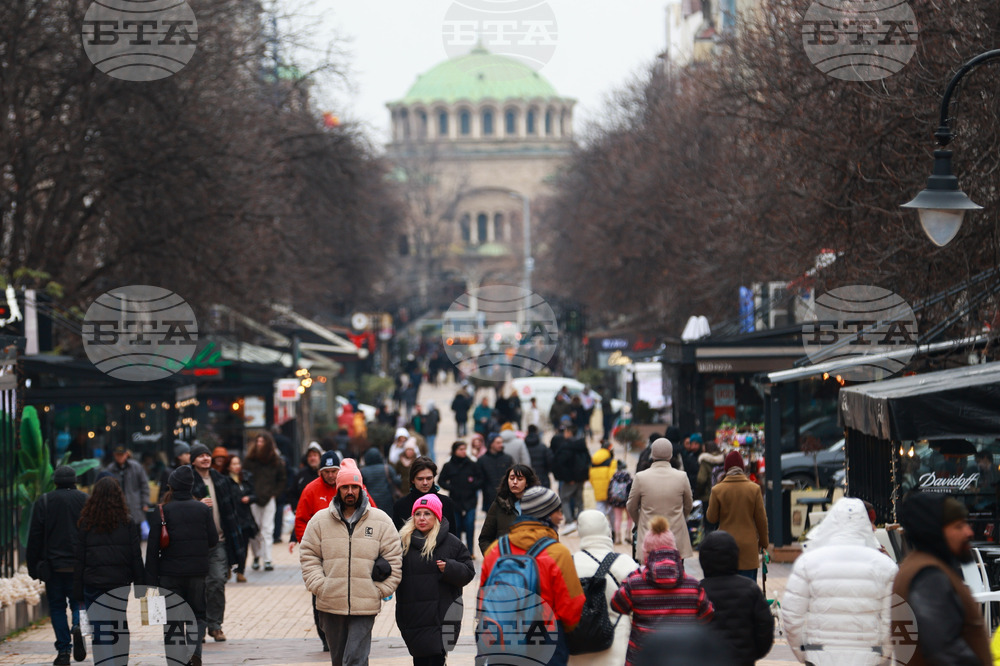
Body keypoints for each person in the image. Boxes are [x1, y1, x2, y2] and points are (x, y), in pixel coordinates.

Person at [299, 459, 403, 665]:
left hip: (365, 604)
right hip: (330, 602)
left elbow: (394, 557)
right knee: (339, 660)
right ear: (338, 489)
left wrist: (380, 590)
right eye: (345, 487)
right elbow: (308, 555)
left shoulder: (381, 521)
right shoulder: (319, 521)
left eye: (354, 487)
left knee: (356, 659)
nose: (350, 492)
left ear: (361, 488)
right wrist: (320, 586)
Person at [781, 498, 895, 665]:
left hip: (820, 657)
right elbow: (891, 619)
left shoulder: (807, 562)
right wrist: (883, 654)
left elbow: (791, 615)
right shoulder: (886, 566)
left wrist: (804, 653)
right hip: (868, 657)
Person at [479, 486, 586, 665]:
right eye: (557, 511)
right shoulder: (557, 553)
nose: (561, 517)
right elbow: (571, 605)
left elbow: (483, 595)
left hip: (502, 636)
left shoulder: (496, 550)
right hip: (546, 637)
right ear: (544, 514)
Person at [892, 492, 991, 664]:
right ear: (935, 532)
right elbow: (943, 648)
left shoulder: (920, 566)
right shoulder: (929, 576)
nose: (969, 532)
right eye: (959, 526)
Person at [611, 516, 713, 666]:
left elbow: (617, 605)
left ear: (646, 554)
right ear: (673, 550)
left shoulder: (635, 582)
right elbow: (707, 615)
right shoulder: (693, 585)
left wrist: (633, 575)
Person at [146, 465, 217, 666]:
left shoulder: (162, 511)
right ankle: (194, 650)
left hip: (169, 574)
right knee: (198, 615)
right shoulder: (202, 509)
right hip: (197, 572)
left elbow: (152, 548)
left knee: (173, 619)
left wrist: (149, 581)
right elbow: (213, 540)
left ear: (172, 486)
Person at [395, 494, 476, 665]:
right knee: (420, 659)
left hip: (442, 615)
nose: (421, 518)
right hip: (413, 615)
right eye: (418, 514)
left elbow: (469, 572)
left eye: (427, 513)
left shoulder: (452, 543)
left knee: (436, 657)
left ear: (437, 517)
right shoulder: (402, 543)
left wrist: (449, 568)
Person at [73, 477, 145, 666]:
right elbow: (135, 555)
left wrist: (77, 589)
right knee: (118, 624)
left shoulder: (86, 523)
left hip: (93, 583)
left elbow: (79, 559)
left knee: (99, 628)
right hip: (119, 583)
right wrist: (141, 585)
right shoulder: (127, 522)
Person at [26, 466, 88, 666]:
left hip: (53, 567)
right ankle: (78, 626)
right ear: (75, 481)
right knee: (78, 603)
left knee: (57, 607)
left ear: (55, 482)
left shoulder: (44, 501)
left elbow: (34, 536)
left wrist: (32, 567)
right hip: (79, 566)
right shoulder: (85, 500)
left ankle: (63, 650)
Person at [569, 510, 639, 666]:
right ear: (606, 530)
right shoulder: (625, 563)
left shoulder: (569, 563)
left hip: (576, 650)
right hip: (616, 650)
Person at [189, 442, 242, 642]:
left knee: (217, 581)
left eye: (207, 454)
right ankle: (199, 627)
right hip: (195, 544)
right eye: (200, 455)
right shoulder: (187, 481)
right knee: (197, 587)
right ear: (193, 460)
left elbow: (233, 511)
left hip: (219, 541)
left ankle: (215, 625)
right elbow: (174, 504)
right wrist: (196, 504)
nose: (205, 458)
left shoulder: (221, 480)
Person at [698, 531, 774, 666]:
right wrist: (753, 653)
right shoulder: (750, 588)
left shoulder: (698, 591)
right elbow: (765, 626)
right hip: (742, 660)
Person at [626, 438, 693, 560]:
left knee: (649, 569)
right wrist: (680, 517)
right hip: (675, 534)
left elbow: (631, 506)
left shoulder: (641, 477)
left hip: (648, 533)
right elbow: (688, 504)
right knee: (675, 568)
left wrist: (640, 521)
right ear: (671, 455)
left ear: (652, 454)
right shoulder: (681, 477)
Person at [705, 450, 768, 581]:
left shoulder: (717, 490)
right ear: (742, 468)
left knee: (727, 587)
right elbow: (761, 520)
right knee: (748, 588)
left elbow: (711, 518)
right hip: (748, 548)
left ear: (726, 468)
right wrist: (763, 543)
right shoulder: (754, 489)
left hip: (725, 547)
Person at [243, 431, 286, 573]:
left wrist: (274, 494)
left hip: (268, 498)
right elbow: (244, 477)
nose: (259, 444)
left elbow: (282, 479)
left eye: (262, 441)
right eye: (258, 441)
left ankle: (267, 559)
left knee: (267, 530)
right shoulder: (250, 460)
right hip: (254, 499)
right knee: (255, 530)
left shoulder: (275, 461)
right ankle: (257, 556)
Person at [478, 464, 540, 556]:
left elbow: (550, 537)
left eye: (519, 479)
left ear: (527, 482)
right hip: (505, 560)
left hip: (532, 560)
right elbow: (485, 538)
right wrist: (494, 558)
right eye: (511, 478)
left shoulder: (538, 505)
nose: (514, 482)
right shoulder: (499, 504)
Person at [392, 457, 458, 536]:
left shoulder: (446, 503)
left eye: (429, 478)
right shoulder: (400, 505)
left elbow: (452, 536)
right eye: (420, 479)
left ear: (433, 478)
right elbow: (396, 537)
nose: (425, 483)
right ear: (413, 480)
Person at [438, 440, 483, 556]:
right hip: (455, 501)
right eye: (461, 449)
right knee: (456, 527)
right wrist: (451, 487)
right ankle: (457, 552)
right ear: (455, 451)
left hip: (470, 500)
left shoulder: (472, 464)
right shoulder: (448, 466)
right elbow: (441, 480)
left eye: (465, 449)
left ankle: (471, 551)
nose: (463, 452)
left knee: (469, 526)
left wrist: (473, 485)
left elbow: (481, 479)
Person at [552, 422, 591, 533]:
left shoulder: (566, 446)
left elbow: (560, 463)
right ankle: (581, 523)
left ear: (569, 433)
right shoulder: (582, 445)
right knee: (580, 501)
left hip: (570, 480)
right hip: (581, 478)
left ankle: (569, 522)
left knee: (564, 499)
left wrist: (568, 478)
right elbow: (588, 460)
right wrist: (584, 476)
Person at [227, 454, 258, 583]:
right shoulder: (225, 480)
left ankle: (241, 571)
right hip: (231, 518)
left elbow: (255, 494)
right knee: (230, 545)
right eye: (233, 464)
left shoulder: (246, 477)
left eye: (238, 463)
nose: (237, 466)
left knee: (244, 546)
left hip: (245, 518)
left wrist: (249, 498)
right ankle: (228, 567)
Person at [105, 445, 150, 532]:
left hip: (135, 505)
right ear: (114, 455)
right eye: (118, 455)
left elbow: (144, 486)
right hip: (116, 506)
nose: (120, 457)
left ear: (126, 454)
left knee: (136, 531)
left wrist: (145, 503)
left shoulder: (136, 467)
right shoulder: (110, 469)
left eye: (122, 455)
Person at [475, 434, 513, 513]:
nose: (501, 445)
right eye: (498, 443)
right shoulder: (482, 460)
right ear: (491, 444)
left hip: (506, 498)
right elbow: (479, 479)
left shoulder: (507, 458)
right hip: (489, 499)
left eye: (501, 442)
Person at [362, 446, 402, 511]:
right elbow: (397, 482)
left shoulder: (363, 471)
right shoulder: (387, 468)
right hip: (387, 501)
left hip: (371, 501)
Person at [589, 439, 619, 522]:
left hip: (597, 488)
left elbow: (590, 477)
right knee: (612, 513)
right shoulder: (612, 462)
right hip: (609, 491)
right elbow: (612, 477)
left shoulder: (593, 461)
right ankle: (613, 529)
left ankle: (600, 527)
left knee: (600, 510)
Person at [291, 442, 324, 510]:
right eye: (310, 456)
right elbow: (292, 494)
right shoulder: (301, 474)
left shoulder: (325, 474)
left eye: (315, 455)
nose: (312, 458)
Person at [695, 441, 726, 506]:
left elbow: (701, 479)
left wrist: (698, 493)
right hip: (722, 494)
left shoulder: (705, 461)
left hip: (708, 496)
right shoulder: (724, 459)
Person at [525, 424, 554, 488]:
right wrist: (547, 471)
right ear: (536, 432)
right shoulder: (543, 447)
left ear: (527, 432)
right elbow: (550, 460)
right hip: (542, 479)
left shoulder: (523, 447)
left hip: (527, 479)